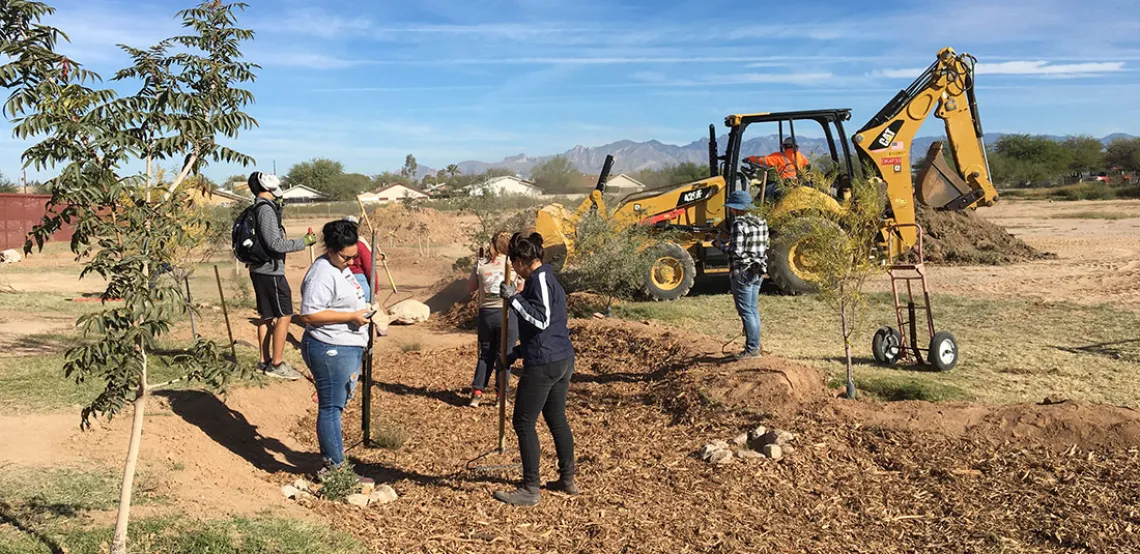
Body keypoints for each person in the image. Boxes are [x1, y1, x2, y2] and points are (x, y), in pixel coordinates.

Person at [494, 232, 577, 506]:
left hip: (545, 363)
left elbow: (541, 321)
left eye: (513, 265)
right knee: (556, 419)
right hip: (559, 357)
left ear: (519, 262)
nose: (514, 272)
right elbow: (546, 327)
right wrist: (516, 353)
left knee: (523, 422)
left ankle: (530, 488)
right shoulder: (546, 278)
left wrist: (514, 299)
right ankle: (567, 479)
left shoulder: (540, 280)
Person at [298, 219, 372, 471]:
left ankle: (335, 462)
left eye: (354, 257)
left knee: (336, 404)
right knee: (330, 407)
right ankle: (334, 468)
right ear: (330, 249)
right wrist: (350, 317)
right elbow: (308, 315)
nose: (351, 263)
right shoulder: (321, 274)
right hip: (329, 347)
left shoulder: (340, 267)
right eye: (347, 258)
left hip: (346, 344)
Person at [246, 171, 316, 380]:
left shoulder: (261, 207)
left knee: (266, 316)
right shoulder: (265, 210)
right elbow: (275, 244)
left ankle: (264, 361)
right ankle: (276, 364)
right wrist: (304, 241)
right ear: (267, 187)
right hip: (271, 271)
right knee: (284, 315)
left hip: (261, 269)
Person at [465, 232, 520, 408]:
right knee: (503, 356)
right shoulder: (513, 265)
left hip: (486, 314)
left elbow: (471, 287)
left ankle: (476, 394)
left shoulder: (481, 263)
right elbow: (521, 288)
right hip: (507, 314)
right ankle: (500, 396)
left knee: (485, 355)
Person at [714, 190, 769, 359]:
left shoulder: (739, 223)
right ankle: (754, 345)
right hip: (758, 270)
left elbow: (736, 251)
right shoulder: (762, 222)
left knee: (746, 310)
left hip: (742, 271)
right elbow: (765, 244)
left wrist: (718, 244)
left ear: (735, 208)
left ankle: (752, 349)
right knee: (752, 310)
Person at [745, 137, 809, 181]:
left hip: (785, 182)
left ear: (785, 146)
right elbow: (806, 166)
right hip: (799, 182)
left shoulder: (779, 156)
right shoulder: (802, 157)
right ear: (796, 146)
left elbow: (764, 160)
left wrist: (750, 158)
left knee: (768, 189)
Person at [343, 216, 374, 303]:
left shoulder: (334, 244)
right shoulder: (360, 243)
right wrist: (374, 289)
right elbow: (369, 267)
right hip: (358, 280)